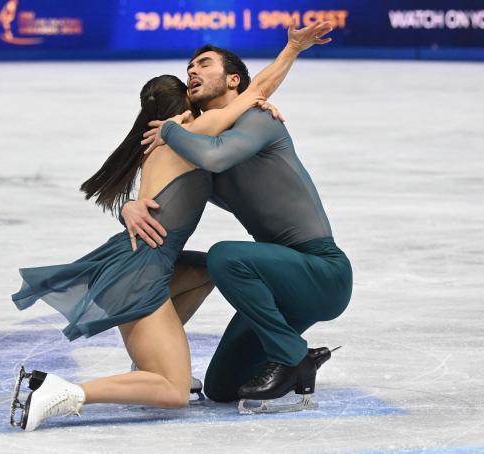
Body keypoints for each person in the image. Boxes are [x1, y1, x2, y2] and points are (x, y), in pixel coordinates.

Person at [8, 21, 331, 431]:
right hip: (142, 269)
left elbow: (247, 101)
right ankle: (61, 392)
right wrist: (290, 52)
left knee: (204, 270)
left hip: (142, 260)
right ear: (182, 110)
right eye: (189, 76)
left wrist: (129, 205)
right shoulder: (186, 134)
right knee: (174, 391)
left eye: (201, 66)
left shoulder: (164, 145)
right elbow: (255, 91)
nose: (194, 75)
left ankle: (147, 362)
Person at [123, 20, 350, 411]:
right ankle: (299, 355)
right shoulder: (199, 142)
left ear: (233, 81)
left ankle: (291, 355)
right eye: (189, 66)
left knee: (224, 255)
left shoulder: (258, 119)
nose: (192, 70)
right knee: (223, 387)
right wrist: (132, 203)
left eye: (204, 64)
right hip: (278, 281)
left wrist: (172, 130)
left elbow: (216, 153)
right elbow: (171, 188)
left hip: (321, 271)